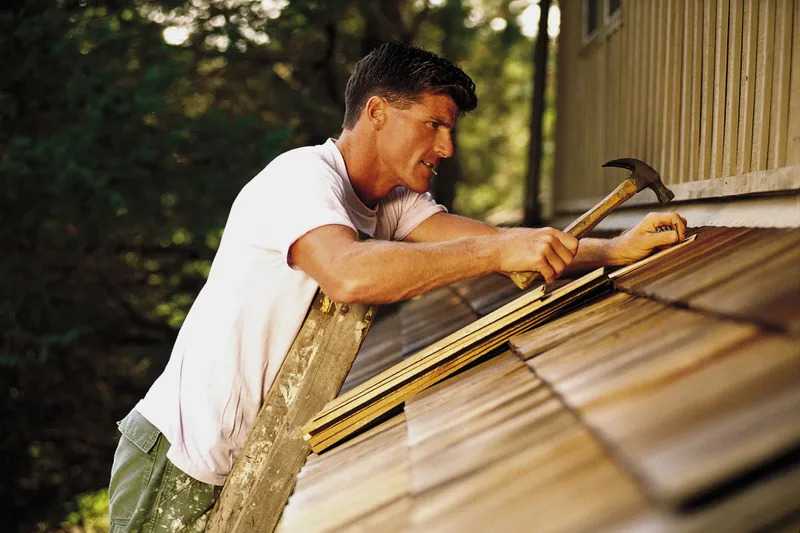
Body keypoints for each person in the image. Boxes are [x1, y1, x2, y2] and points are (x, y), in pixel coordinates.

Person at [108, 42, 686, 531]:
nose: (446, 148)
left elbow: (500, 240)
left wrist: (612, 248)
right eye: (433, 125)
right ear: (377, 112)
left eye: (450, 130)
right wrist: (494, 251)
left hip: (240, 461)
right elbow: (351, 271)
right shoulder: (299, 179)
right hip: (174, 457)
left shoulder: (392, 204)